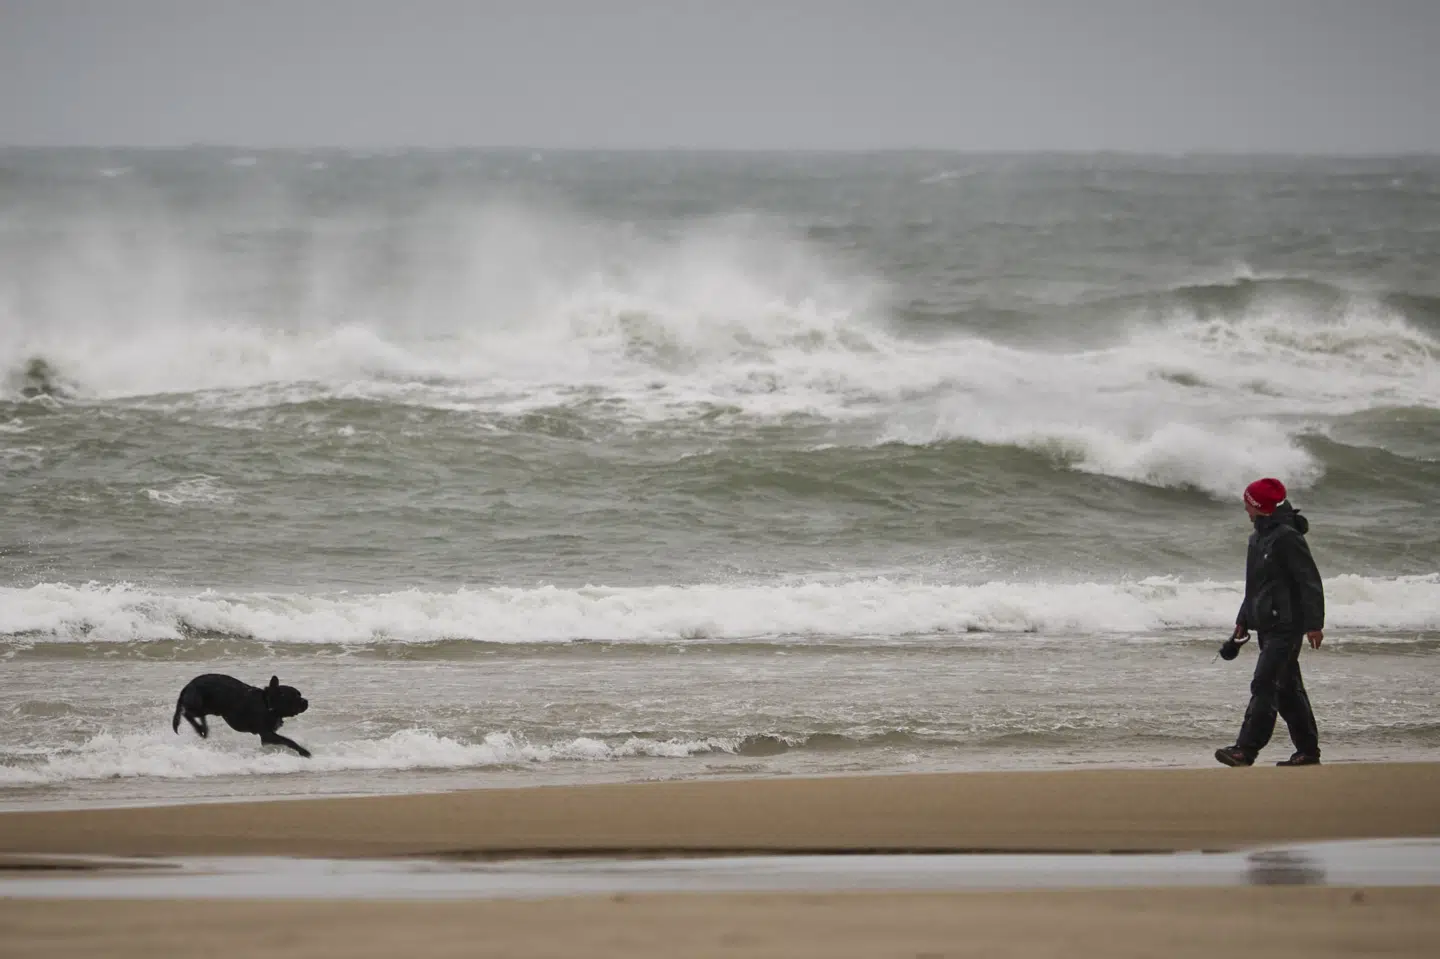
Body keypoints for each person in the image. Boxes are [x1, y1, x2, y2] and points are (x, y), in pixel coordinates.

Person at [1215, 477, 1326, 767]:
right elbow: (1255, 587)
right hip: (1267, 624)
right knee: (1287, 689)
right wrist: (1242, 622)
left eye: (1248, 503)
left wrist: (1314, 623)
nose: (1244, 508)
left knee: (1264, 684)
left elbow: (1309, 581)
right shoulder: (1257, 538)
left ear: (1259, 507)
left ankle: (1246, 749)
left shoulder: (1287, 537)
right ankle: (1308, 752)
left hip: (1287, 625)